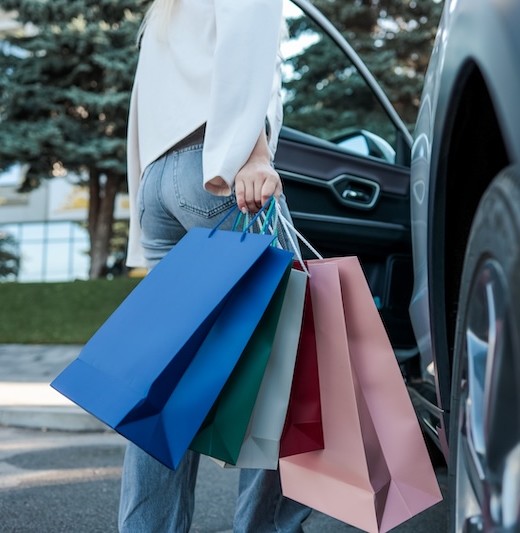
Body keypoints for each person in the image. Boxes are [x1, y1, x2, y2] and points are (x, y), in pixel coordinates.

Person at [120, 0, 310, 531]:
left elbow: (147, 98)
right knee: (293, 370)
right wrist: (252, 155)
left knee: (166, 383)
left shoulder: (166, 8)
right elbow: (242, 58)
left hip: (157, 183)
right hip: (218, 173)